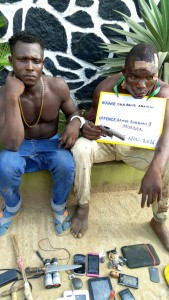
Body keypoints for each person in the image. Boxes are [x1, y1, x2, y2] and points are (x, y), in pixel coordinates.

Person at [71, 43, 169, 251]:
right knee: (81, 148)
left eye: (149, 77)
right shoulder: (106, 88)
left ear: (157, 74)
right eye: (134, 76)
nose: (142, 85)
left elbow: (167, 138)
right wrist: (87, 129)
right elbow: (91, 119)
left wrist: (155, 168)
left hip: (138, 149)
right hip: (107, 144)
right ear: (124, 72)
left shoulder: (164, 95)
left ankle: (158, 220)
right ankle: (83, 205)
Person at [0, 30, 86, 236]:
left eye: (35, 61)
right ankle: (12, 206)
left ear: (43, 62)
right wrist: (12, 97)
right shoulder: (3, 95)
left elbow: (74, 113)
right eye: (22, 60)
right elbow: (11, 144)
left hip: (51, 143)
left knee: (66, 164)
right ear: (11, 61)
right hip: (18, 147)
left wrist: (75, 123)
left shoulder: (57, 86)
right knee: (5, 166)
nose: (30, 67)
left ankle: (58, 206)